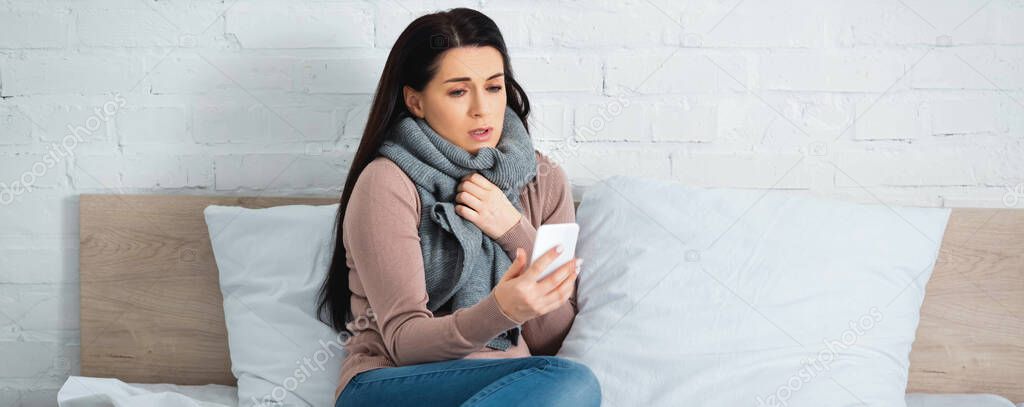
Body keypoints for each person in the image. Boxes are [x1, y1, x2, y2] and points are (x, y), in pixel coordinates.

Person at [316, 6, 601, 407]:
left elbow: (549, 340)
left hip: (511, 383)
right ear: (416, 101)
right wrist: (500, 310)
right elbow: (403, 343)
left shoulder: (543, 180)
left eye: (494, 87)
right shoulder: (387, 183)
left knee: (573, 383)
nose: (482, 109)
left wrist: (511, 230)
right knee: (572, 383)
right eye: (458, 91)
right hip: (391, 384)